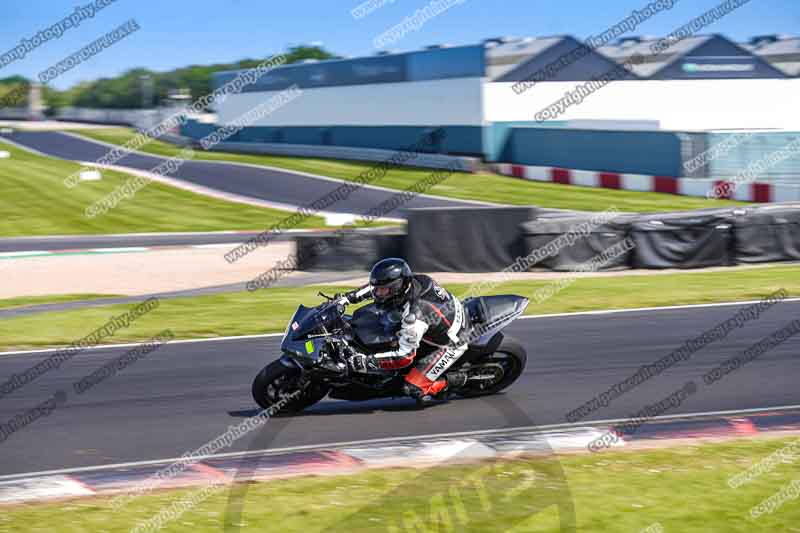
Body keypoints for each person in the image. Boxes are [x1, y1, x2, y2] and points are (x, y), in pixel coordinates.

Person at [338, 257, 470, 406]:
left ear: (398, 288)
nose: (378, 293)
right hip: (444, 319)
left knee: (413, 387)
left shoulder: (414, 317)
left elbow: (404, 357)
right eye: (378, 289)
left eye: (384, 290)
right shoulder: (413, 281)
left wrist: (366, 362)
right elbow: (376, 286)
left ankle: (455, 380)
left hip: (453, 342)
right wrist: (347, 299)